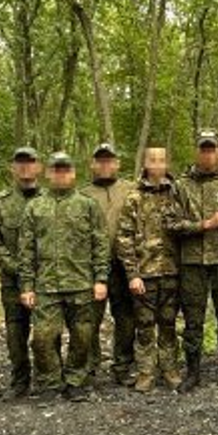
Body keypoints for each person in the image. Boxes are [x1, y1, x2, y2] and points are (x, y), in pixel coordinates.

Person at [19, 152, 110, 402]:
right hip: (46, 285)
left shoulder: (87, 204)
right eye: (56, 170)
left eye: (66, 170)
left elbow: (100, 244)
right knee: (42, 338)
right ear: (48, 173)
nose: (61, 174)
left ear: (74, 173)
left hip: (81, 283)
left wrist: (101, 279)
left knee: (83, 337)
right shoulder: (35, 206)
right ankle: (50, 382)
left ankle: (75, 380)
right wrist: (27, 285)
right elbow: (26, 249)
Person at [169, 129, 218, 391]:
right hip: (192, 262)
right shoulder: (181, 185)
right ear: (197, 151)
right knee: (193, 319)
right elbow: (170, 224)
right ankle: (193, 372)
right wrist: (204, 224)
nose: (207, 154)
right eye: (203, 149)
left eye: (211, 148)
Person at [116, 146, 183, 392]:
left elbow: (185, 228)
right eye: (152, 160)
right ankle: (145, 371)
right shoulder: (134, 197)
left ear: (167, 163)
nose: (157, 164)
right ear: (145, 164)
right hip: (145, 274)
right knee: (144, 326)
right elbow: (123, 237)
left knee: (168, 323)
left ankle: (170, 368)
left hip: (172, 271)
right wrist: (132, 274)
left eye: (161, 160)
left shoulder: (177, 193)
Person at [0, 146, 44, 398]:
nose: (25, 167)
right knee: (15, 333)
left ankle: (46, 377)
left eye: (30, 162)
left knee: (45, 333)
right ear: (12, 168)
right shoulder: (0, 203)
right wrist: (15, 268)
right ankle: (20, 379)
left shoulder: (50, 199)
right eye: (20, 163)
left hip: (46, 278)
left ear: (39, 167)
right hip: (13, 280)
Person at [83, 142, 135, 385]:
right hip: (92, 267)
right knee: (90, 319)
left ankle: (122, 365)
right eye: (100, 160)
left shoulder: (131, 190)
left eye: (109, 160)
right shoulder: (83, 195)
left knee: (125, 318)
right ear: (92, 164)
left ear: (117, 163)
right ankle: (90, 365)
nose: (105, 165)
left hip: (124, 264)